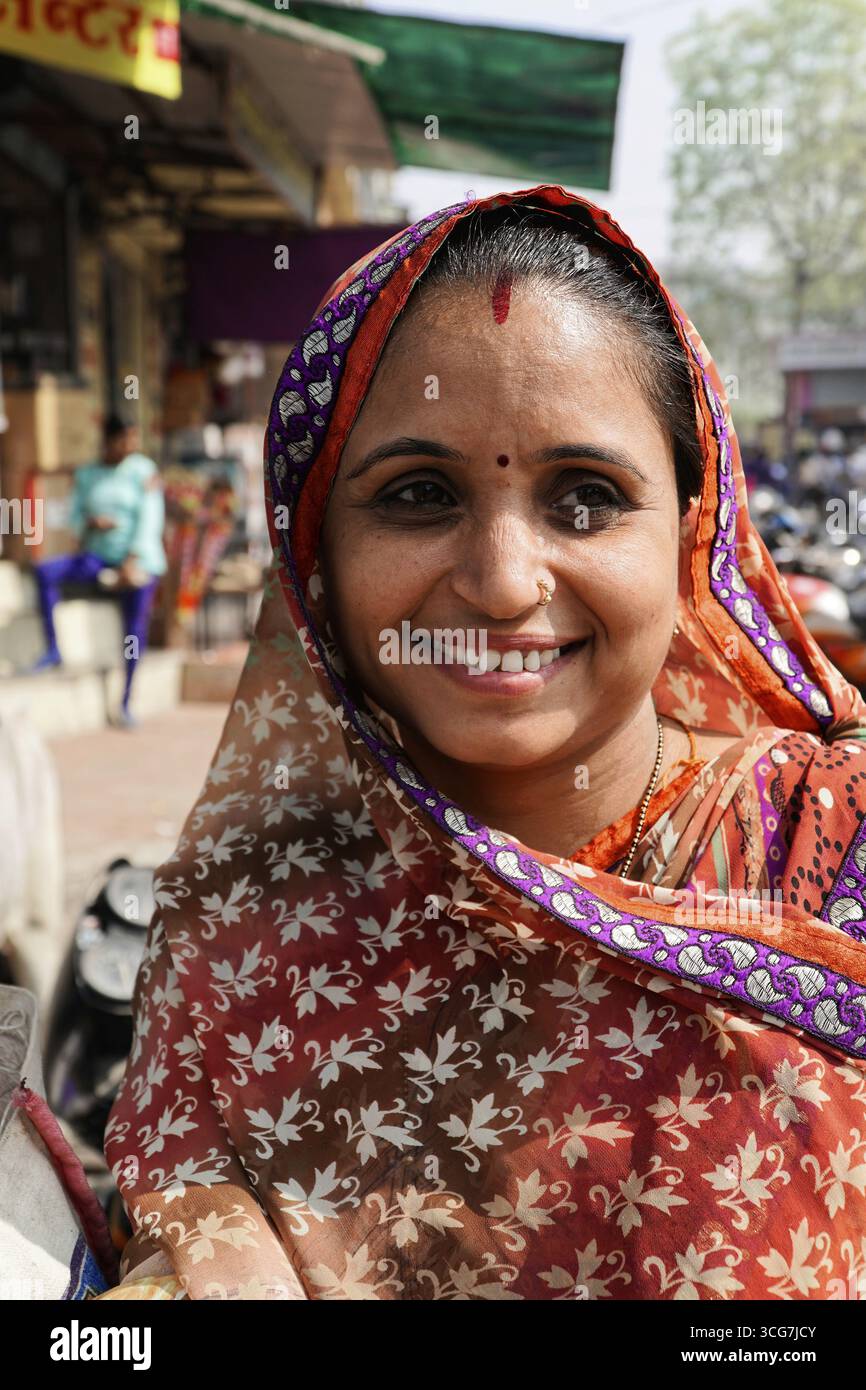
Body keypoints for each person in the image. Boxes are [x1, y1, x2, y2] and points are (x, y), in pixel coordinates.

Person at [96, 187, 866, 1302]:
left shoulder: (825, 849)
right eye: (418, 494)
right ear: (316, 557)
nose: (503, 583)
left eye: (586, 498)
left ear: (691, 535)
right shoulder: (244, 937)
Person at [30, 414, 167, 727]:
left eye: (134, 437)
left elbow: (150, 518)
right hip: (99, 559)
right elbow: (74, 517)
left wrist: (132, 560)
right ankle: (53, 650)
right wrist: (90, 523)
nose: (131, 444)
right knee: (45, 573)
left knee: (133, 629)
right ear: (108, 441)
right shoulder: (88, 474)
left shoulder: (143, 471)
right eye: (125, 438)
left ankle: (126, 702)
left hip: (137, 562)